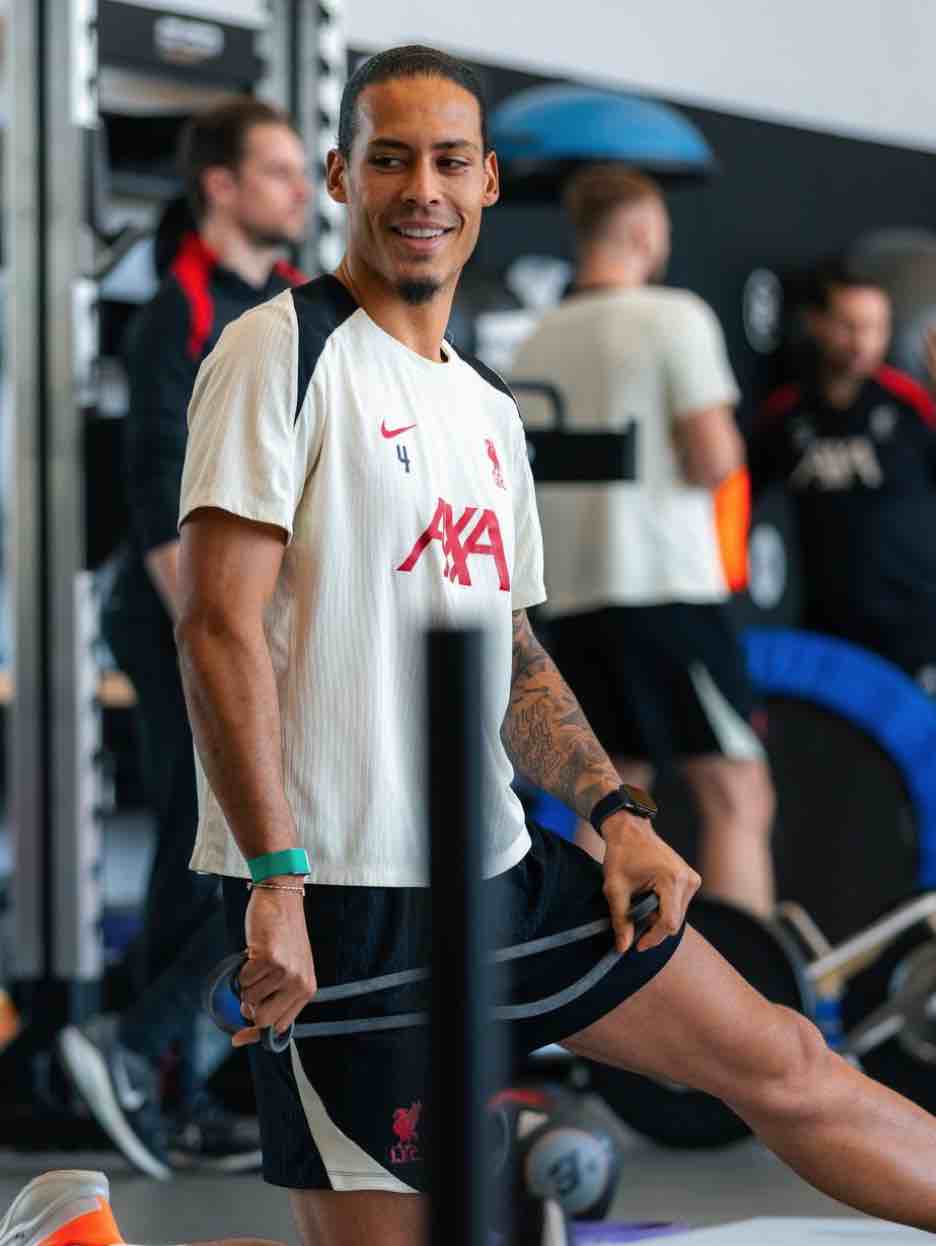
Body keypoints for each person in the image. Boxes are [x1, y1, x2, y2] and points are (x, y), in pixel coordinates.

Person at [31, 44, 936, 1246]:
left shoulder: (487, 410)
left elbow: (506, 645)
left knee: (785, 1058)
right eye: (391, 160)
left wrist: (617, 812)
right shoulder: (277, 348)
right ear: (344, 176)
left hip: (503, 874)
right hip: (348, 905)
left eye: (450, 161)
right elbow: (215, 625)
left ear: (490, 181)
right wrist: (273, 886)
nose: (424, 189)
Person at [56, 96, 311, 1178]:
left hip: (249, 612)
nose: (301, 189)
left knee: (236, 843)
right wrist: (216, 641)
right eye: (279, 171)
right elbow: (159, 494)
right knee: (218, 840)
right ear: (220, 186)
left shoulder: (299, 301)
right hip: (177, 609)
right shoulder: (181, 312)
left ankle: (179, 1078)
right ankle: (137, 1056)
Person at [510, 165, 775, 917]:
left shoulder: (534, 341)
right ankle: (747, 980)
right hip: (667, 592)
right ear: (643, 231)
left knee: (615, 797)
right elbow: (714, 457)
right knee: (736, 792)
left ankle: (591, 982)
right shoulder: (673, 316)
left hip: (574, 602)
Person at [751, 261, 936, 688]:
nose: (862, 342)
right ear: (816, 323)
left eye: (875, 327)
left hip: (915, 629)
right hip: (825, 631)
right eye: (849, 326)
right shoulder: (785, 414)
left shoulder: (911, 405)